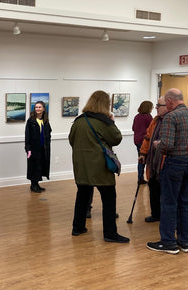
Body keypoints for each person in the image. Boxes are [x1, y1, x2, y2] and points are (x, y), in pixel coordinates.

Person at [147, 88, 188, 254]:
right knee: (185, 203)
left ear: (169, 101)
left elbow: (167, 145)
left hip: (175, 164)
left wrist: (157, 145)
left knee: (169, 203)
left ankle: (168, 242)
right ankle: (185, 242)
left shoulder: (171, 117)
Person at [69, 90, 129, 243]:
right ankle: (110, 234)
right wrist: (112, 121)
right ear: (105, 104)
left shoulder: (79, 121)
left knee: (82, 196)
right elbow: (116, 138)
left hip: (81, 166)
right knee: (109, 199)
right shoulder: (103, 121)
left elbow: (71, 140)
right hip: (100, 166)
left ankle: (78, 227)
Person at [138, 96, 169, 223]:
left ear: (167, 106)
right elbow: (147, 137)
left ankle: (166, 216)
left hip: (166, 163)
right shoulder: (155, 120)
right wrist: (143, 153)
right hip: (153, 162)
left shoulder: (172, 120)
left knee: (165, 192)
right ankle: (155, 214)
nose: (156, 107)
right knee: (153, 188)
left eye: (159, 105)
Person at [25, 101, 52, 193]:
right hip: (33, 148)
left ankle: (37, 184)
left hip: (43, 148)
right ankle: (33, 185)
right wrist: (28, 149)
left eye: (39, 107)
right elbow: (27, 136)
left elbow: (49, 133)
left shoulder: (45, 121)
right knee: (33, 166)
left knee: (40, 166)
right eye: (36, 107)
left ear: (43, 108)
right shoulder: (31, 121)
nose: (38, 109)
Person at [132, 101, 154, 184]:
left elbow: (133, 128)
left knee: (141, 159)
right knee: (148, 160)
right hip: (145, 141)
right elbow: (152, 129)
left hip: (137, 140)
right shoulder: (148, 117)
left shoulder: (137, 116)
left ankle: (140, 177)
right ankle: (149, 178)